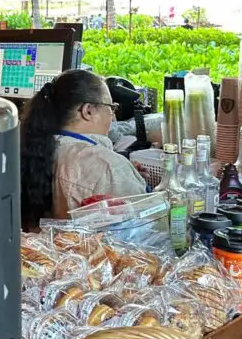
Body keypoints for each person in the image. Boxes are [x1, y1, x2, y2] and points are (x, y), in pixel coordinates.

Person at [19, 69, 147, 229]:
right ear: (88, 111)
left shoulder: (26, 148)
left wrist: (126, 172)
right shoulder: (108, 166)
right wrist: (121, 171)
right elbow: (146, 231)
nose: (113, 117)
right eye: (111, 108)